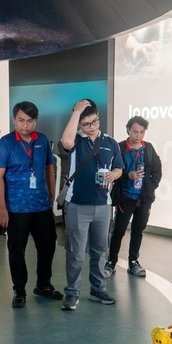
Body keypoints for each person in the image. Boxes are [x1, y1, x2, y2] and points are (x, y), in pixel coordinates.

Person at [0, 101, 63, 308]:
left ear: (35, 121)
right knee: (17, 250)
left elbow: (49, 167)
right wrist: (1, 208)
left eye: (30, 121)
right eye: (21, 120)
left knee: (48, 245)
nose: (25, 125)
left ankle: (43, 285)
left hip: (41, 205)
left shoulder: (42, 140)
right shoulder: (5, 144)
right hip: (16, 207)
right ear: (14, 119)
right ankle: (19, 290)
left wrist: (52, 194)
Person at [59, 99, 123, 311]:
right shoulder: (76, 139)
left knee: (100, 251)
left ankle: (98, 289)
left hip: (103, 205)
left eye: (94, 121)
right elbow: (66, 142)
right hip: (77, 204)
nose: (92, 127)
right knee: (75, 253)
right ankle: (72, 293)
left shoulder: (111, 142)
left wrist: (114, 174)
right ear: (79, 123)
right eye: (86, 124)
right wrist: (76, 112)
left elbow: (119, 168)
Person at [104, 115, 162, 278]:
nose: (138, 135)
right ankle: (111, 262)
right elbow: (113, 171)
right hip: (125, 197)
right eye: (135, 131)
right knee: (119, 231)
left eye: (142, 132)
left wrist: (149, 188)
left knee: (138, 230)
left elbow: (157, 171)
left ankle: (133, 262)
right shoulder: (120, 147)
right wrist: (127, 176)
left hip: (144, 199)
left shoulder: (148, 148)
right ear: (128, 130)